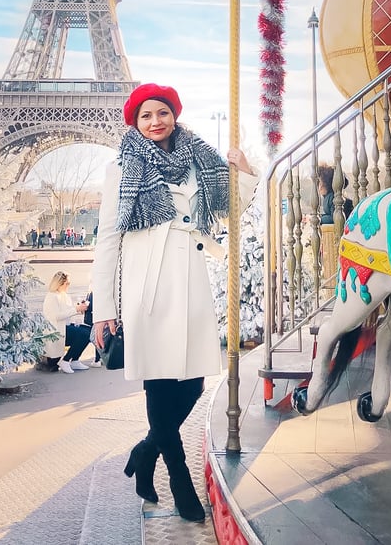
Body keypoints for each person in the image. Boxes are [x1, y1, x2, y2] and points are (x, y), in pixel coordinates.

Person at [92, 82, 257, 524]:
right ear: (134, 121)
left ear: (174, 115)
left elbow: (227, 211)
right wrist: (104, 307)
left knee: (193, 383)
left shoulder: (200, 161)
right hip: (147, 286)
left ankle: (146, 454)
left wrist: (243, 170)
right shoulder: (120, 169)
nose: (155, 122)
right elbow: (108, 238)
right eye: (146, 115)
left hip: (189, 280)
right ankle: (179, 479)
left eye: (162, 112)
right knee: (160, 385)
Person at [43, 272, 92, 374]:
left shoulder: (64, 296)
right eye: (67, 283)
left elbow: (68, 312)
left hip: (65, 327)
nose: (68, 286)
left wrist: (80, 308)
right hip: (57, 330)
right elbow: (56, 316)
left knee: (88, 330)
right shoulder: (51, 297)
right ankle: (65, 360)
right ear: (59, 283)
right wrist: (76, 309)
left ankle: (74, 360)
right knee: (84, 333)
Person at [82, 288, 101, 366]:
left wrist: (83, 306)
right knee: (99, 337)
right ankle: (99, 358)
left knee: (96, 338)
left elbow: (90, 306)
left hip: (93, 318)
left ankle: (97, 360)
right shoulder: (95, 291)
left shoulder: (93, 292)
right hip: (97, 318)